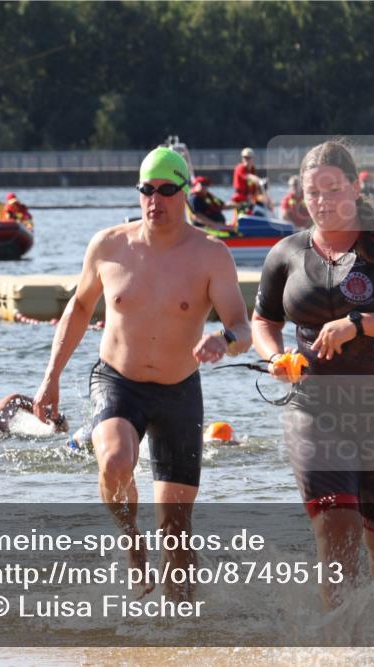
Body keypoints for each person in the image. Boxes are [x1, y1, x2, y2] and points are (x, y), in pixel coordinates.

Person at [32, 146, 252, 600]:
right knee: (115, 462)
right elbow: (78, 309)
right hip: (118, 381)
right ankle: (132, 542)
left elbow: (242, 327)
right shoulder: (109, 245)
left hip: (178, 391)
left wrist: (224, 339)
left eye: (167, 190)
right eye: (147, 190)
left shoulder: (211, 254)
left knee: (176, 535)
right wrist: (51, 377)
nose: (156, 200)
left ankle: (184, 629)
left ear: (185, 192)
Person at [250, 141, 374, 635]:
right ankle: (344, 640)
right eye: (312, 192)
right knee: (335, 524)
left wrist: (359, 323)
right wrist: (274, 357)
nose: (322, 201)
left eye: (332, 189)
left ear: (356, 188)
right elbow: (263, 321)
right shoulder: (285, 253)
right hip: (314, 406)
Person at [231, 147, 261, 212]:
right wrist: (260, 181)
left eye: (249, 158)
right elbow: (249, 177)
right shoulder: (240, 167)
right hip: (240, 200)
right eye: (244, 157)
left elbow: (255, 186)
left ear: (253, 159)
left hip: (249, 200)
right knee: (241, 216)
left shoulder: (252, 170)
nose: (246, 160)